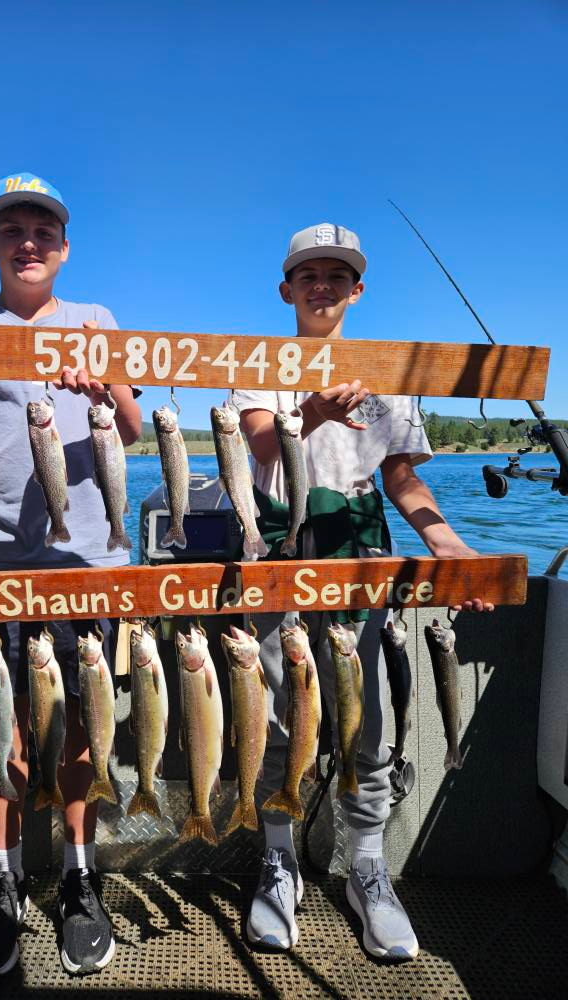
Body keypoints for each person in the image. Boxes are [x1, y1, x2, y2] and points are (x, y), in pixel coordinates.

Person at [232, 222, 493, 960]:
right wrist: (311, 411)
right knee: (275, 715)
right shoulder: (258, 365)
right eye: (309, 274)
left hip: (362, 553)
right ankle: (277, 861)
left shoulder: (389, 373)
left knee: (368, 720)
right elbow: (261, 447)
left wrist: (447, 545)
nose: (322, 285)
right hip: (278, 549)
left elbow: (401, 480)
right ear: (286, 289)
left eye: (337, 275)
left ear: (358, 290)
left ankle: (369, 870)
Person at [0, 172, 142, 976]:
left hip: (89, 562)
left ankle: (79, 878)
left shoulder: (97, 320)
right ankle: (4, 885)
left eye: (43, 229)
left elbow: (132, 426)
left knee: (83, 722)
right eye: (12, 229)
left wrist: (105, 391)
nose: (28, 242)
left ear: (65, 247)